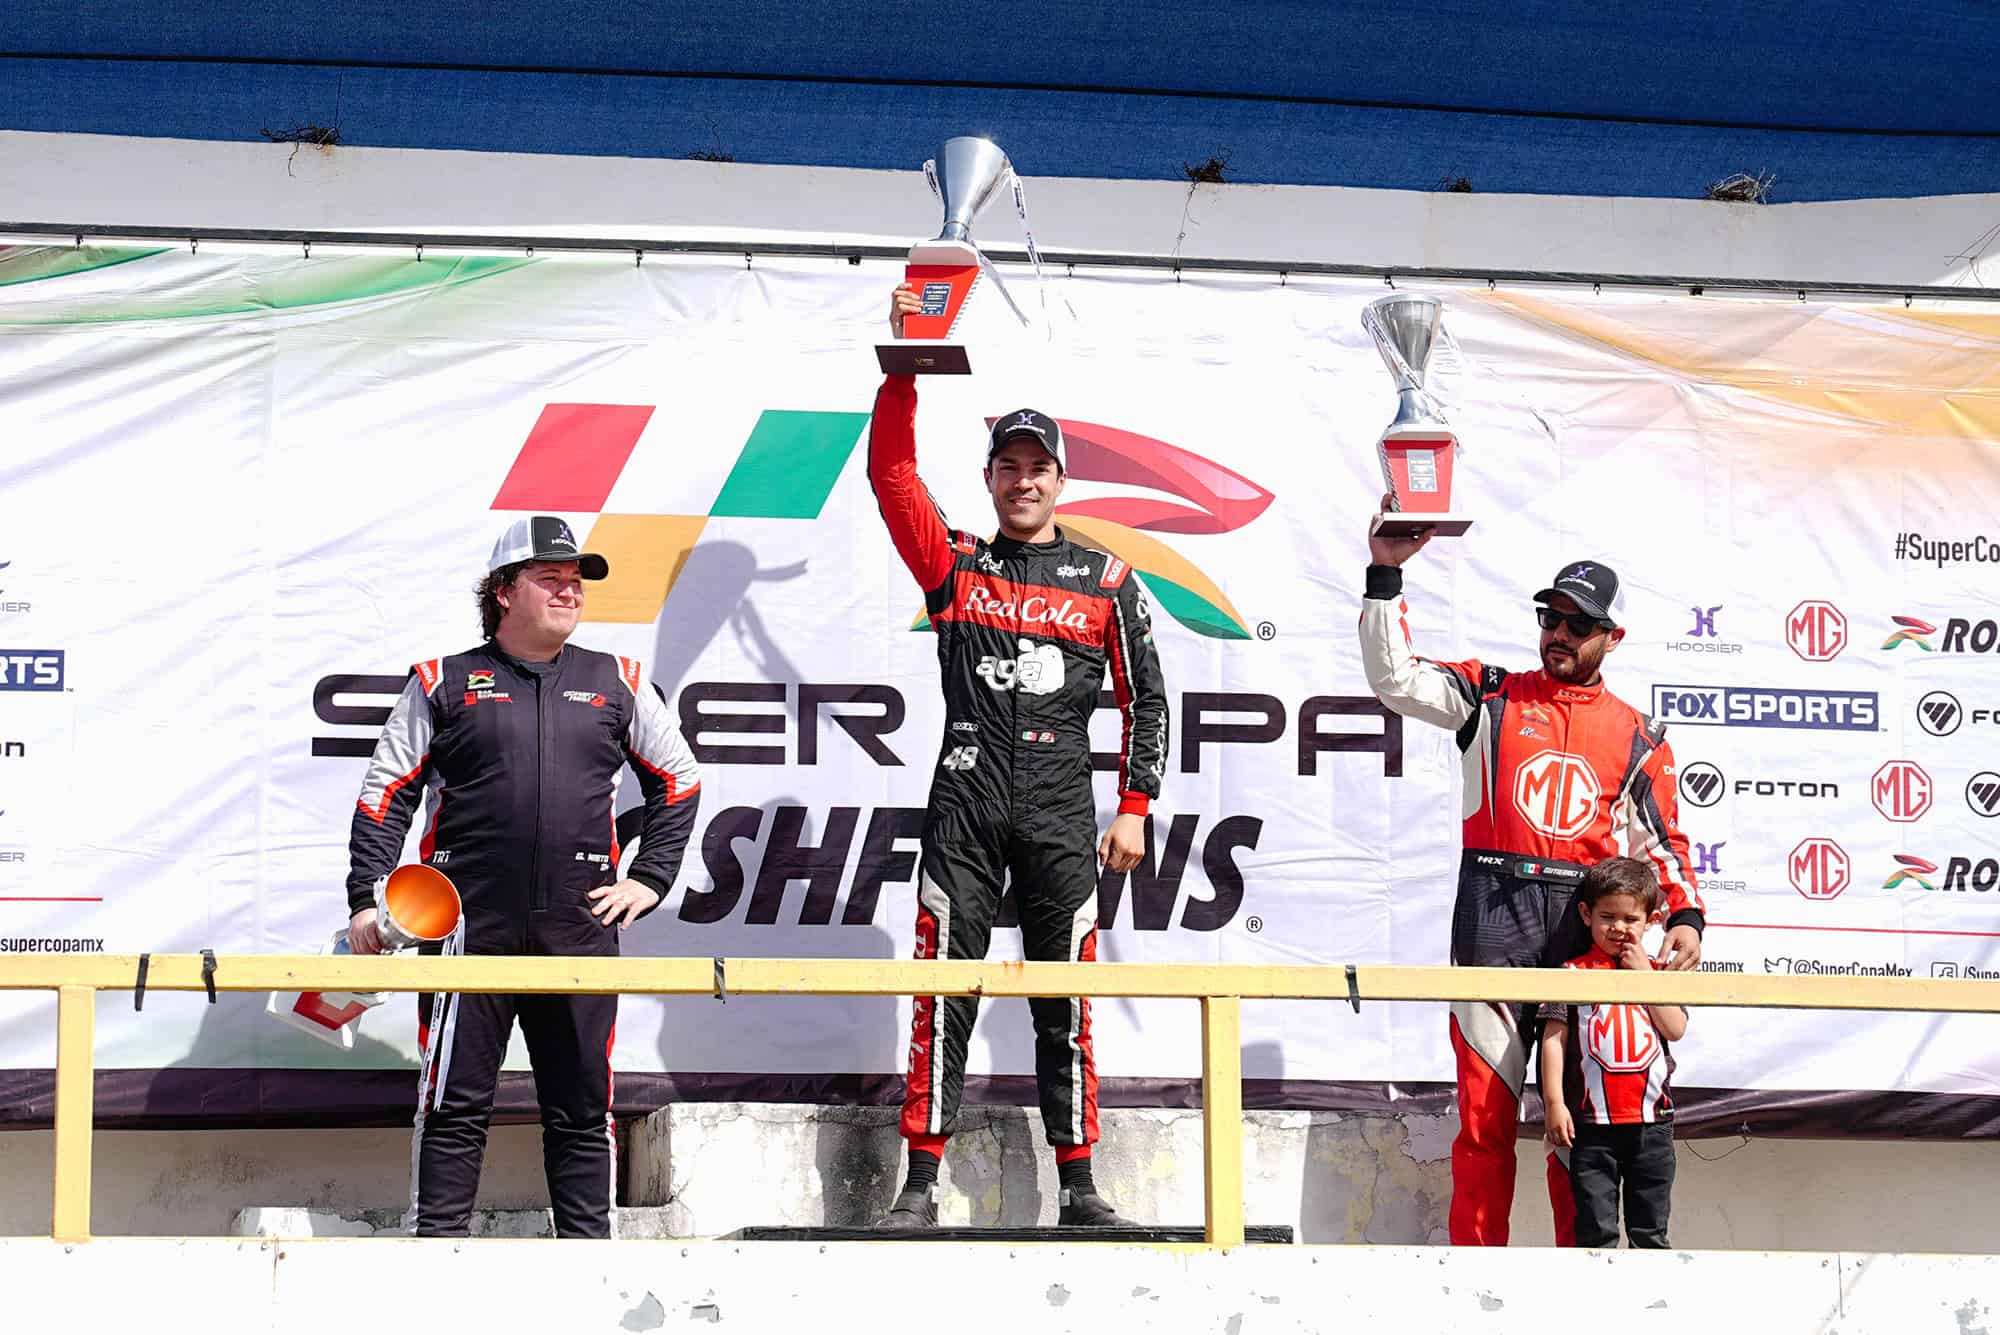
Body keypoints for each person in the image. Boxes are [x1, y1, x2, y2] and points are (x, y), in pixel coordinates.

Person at [870, 283, 1168, 1228]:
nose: (1024, 481)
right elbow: (890, 475)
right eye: (1009, 465)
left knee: (1064, 998)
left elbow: (1149, 696)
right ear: (992, 477)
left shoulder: (1107, 578)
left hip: (1056, 806)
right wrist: (906, 365)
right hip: (962, 798)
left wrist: (1136, 803)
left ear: (1060, 480)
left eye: (1039, 468)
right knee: (941, 988)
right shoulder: (956, 563)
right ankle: (919, 1181)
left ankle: (1079, 1183)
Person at [346, 514, 702, 1238]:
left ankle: (589, 1269)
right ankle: (436, 1259)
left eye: (576, 580)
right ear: (504, 591)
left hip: (580, 927)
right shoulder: (440, 681)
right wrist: (368, 897)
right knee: (452, 1104)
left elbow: (680, 779)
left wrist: (651, 876)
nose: (570, 590)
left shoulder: (618, 679)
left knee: (580, 1109)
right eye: (551, 577)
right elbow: (385, 794)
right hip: (466, 929)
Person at [1358, 508, 1704, 1246]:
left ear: (1612, 638)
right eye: (1551, 616)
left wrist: (1685, 918)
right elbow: (1394, 678)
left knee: (1575, 1128)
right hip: (1492, 917)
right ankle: (1474, 1286)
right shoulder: (1491, 695)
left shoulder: (1639, 734)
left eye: (1578, 625)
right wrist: (1386, 574)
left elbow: (1666, 843)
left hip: (1582, 930)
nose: (1559, 633)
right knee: (1483, 1122)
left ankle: (1580, 1287)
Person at [1539, 857, 1688, 1249]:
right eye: (1608, 916)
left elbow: (1676, 1028)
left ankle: (1653, 1304)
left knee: (1650, 1230)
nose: (1619, 928)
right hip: (1591, 1127)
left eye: (1631, 919)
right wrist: (1555, 1103)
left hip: (1652, 1124)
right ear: (1586, 914)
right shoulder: (1571, 973)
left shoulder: (1657, 972)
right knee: (1595, 1230)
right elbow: (1554, 1039)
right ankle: (1599, 1304)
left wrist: (1645, 978)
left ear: (1651, 920)